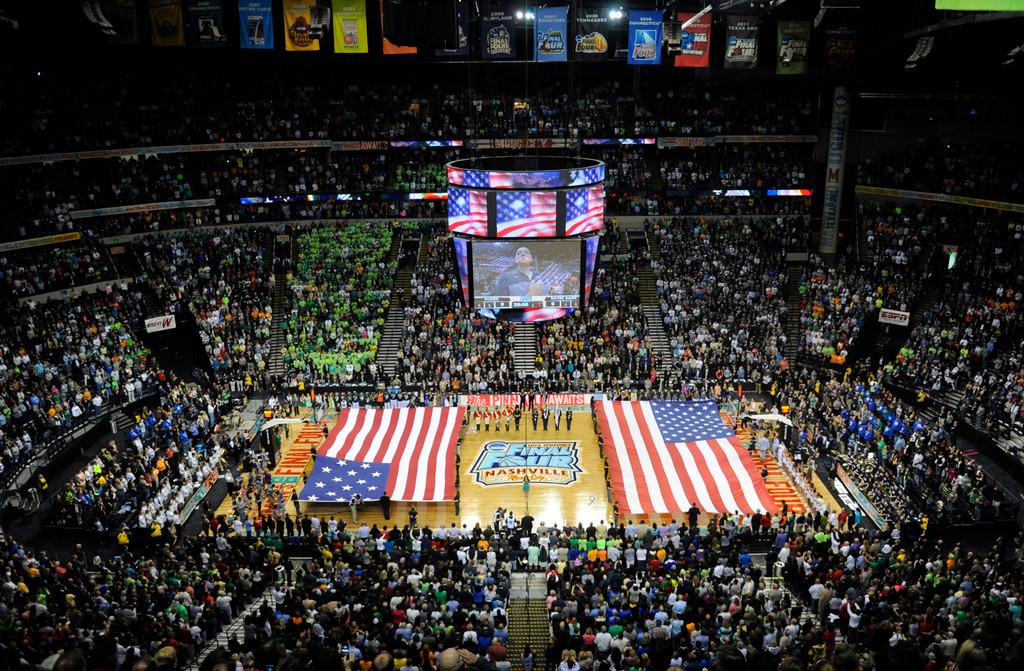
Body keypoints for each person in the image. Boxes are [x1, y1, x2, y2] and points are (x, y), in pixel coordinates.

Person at [492, 246, 563, 297]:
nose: (522, 254)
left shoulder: (541, 277)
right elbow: (500, 305)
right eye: (519, 253)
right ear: (515, 259)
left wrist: (554, 293)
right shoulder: (506, 277)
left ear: (531, 259)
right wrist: (531, 295)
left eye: (526, 252)